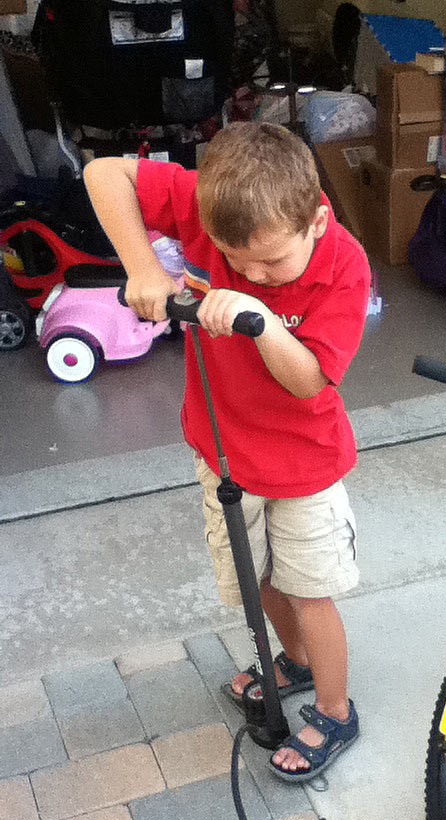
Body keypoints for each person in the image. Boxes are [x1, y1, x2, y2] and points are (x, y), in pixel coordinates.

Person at [84, 122, 370, 782]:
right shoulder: (212, 201)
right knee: (256, 580)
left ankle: (334, 708)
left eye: (272, 261)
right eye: (234, 260)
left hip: (306, 463)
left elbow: (307, 381)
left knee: (310, 591)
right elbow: (104, 175)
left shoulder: (344, 267)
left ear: (316, 221)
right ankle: (293, 661)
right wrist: (144, 268)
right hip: (221, 449)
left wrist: (261, 318)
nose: (252, 272)